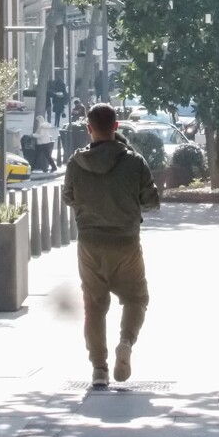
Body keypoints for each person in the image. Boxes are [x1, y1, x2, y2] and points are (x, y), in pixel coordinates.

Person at [63, 102, 160, 388]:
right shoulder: (134, 162)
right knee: (137, 298)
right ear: (116, 127)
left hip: (90, 243)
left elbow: (68, 198)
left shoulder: (75, 163)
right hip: (126, 242)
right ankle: (126, 342)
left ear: (89, 128)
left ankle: (99, 369)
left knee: (93, 306)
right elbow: (152, 202)